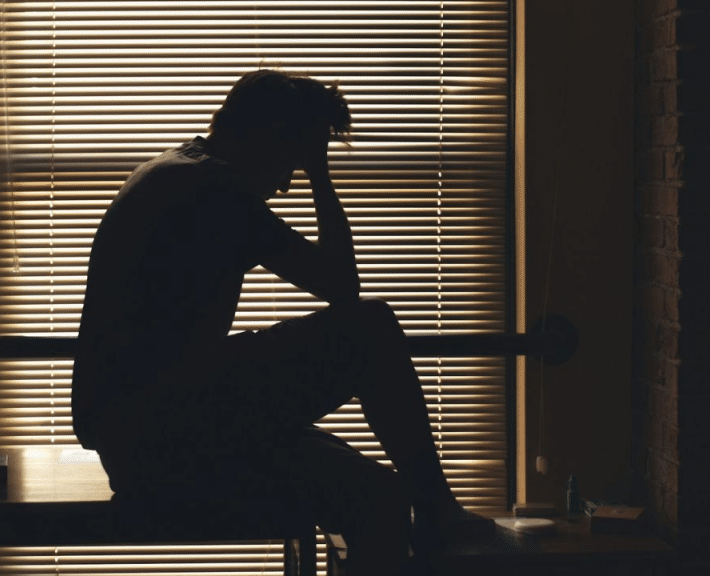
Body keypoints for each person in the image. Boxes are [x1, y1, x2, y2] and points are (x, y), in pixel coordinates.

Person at [71, 69, 492, 575]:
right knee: (371, 328)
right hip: (165, 438)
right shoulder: (214, 190)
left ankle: (432, 505)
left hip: (147, 430)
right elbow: (341, 285)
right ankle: (439, 510)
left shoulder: (177, 169)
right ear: (273, 135)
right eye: (294, 157)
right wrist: (321, 172)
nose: (287, 181)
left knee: (377, 492)